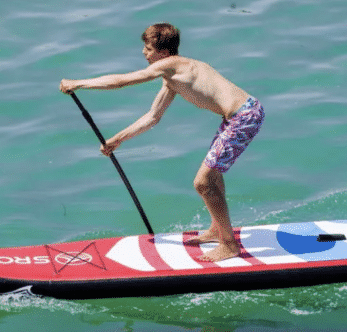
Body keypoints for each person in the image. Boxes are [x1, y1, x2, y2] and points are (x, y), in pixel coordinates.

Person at [60, 23, 264, 262]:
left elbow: (124, 81)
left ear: (164, 53)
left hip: (244, 117)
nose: (144, 54)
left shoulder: (172, 65)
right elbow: (152, 117)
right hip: (237, 117)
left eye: (148, 49)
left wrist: (79, 83)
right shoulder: (173, 77)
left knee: (202, 183)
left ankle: (229, 246)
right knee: (213, 176)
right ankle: (217, 230)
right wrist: (116, 140)